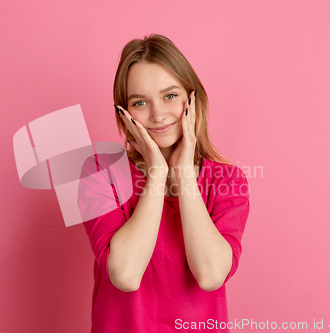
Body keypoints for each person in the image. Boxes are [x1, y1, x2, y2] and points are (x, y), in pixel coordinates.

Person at [81, 34, 250, 332]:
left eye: (170, 96)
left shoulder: (227, 180)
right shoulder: (98, 171)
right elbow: (125, 274)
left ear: (192, 99)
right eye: (140, 102)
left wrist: (184, 172)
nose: (158, 115)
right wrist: (157, 173)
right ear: (124, 113)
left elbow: (211, 275)